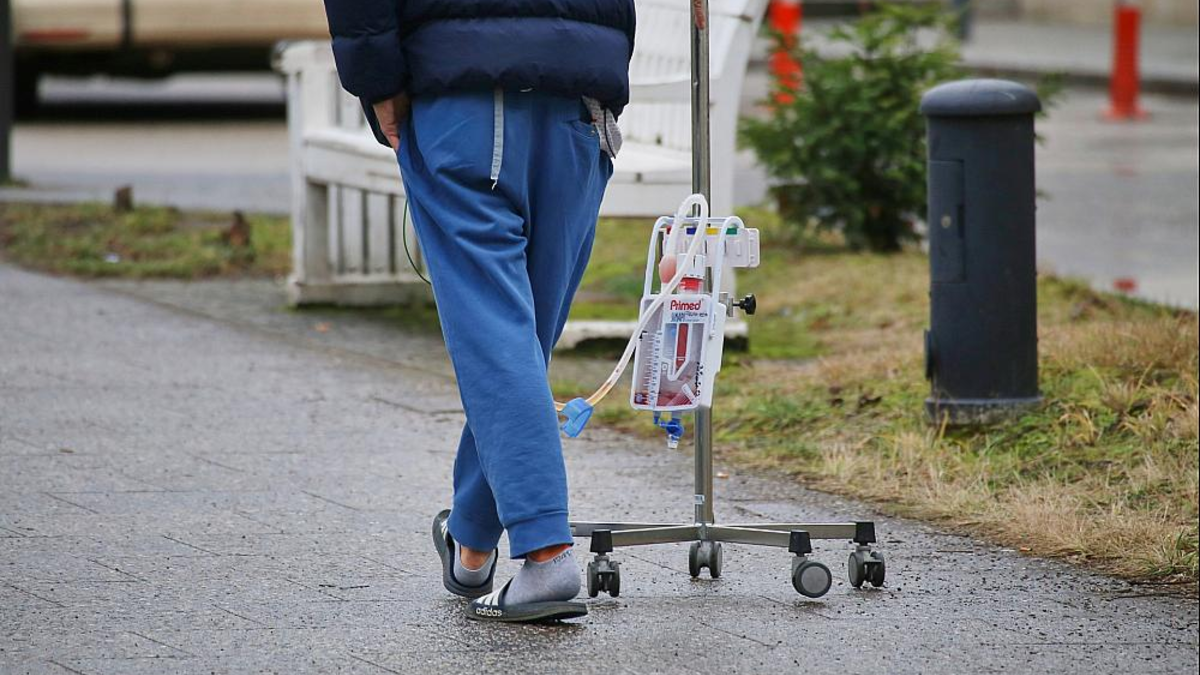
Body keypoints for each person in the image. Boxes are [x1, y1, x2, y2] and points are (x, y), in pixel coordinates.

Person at [320, 0, 635, 622]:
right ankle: (470, 541)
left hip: (463, 91)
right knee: (519, 340)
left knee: (499, 337)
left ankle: (546, 554)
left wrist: (377, 79)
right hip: (581, 93)